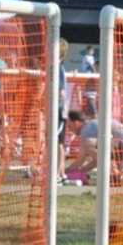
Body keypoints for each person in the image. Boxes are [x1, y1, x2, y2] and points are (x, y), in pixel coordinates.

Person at [66, 110, 123, 183]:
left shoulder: (87, 130)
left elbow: (81, 159)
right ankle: (115, 173)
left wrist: (64, 173)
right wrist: (79, 171)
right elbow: (95, 159)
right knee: (98, 149)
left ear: (76, 123)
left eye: (69, 126)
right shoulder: (92, 124)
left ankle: (113, 172)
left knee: (88, 143)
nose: (69, 130)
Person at [57, 38, 70, 183]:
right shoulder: (58, 67)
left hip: (59, 110)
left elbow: (60, 91)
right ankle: (60, 173)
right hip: (59, 109)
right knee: (58, 142)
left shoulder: (59, 68)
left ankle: (59, 173)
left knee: (57, 142)